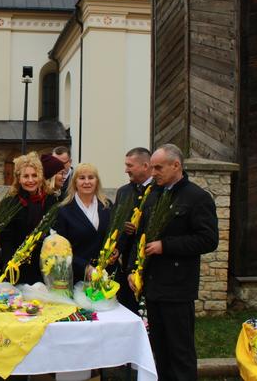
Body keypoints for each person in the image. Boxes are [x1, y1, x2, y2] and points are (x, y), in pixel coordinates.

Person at [127, 144, 218, 381]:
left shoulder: (197, 197)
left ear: (176, 165)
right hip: (154, 286)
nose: (153, 172)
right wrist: (133, 269)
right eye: (152, 167)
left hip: (178, 288)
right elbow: (141, 237)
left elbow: (208, 240)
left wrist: (166, 246)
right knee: (160, 351)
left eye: (159, 167)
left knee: (180, 352)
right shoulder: (154, 195)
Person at [0, 152, 59, 285]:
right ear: (18, 179)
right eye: (26, 176)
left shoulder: (52, 201)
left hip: (46, 266)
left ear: (41, 177)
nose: (30, 180)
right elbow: (6, 239)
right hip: (18, 266)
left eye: (34, 175)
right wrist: (9, 265)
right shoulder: (10, 203)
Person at [55, 163, 111, 283]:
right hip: (76, 277)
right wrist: (85, 267)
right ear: (75, 182)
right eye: (82, 178)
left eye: (91, 177)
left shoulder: (107, 206)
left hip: (105, 276)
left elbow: (113, 235)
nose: (87, 182)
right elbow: (62, 249)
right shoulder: (64, 210)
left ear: (97, 181)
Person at [114, 147, 153, 314]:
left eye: (130, 166)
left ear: (145, 166)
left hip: (150, 263)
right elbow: (115, 223)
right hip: (126, 266)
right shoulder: (124, 192)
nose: (126, 170)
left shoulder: (157, 191)